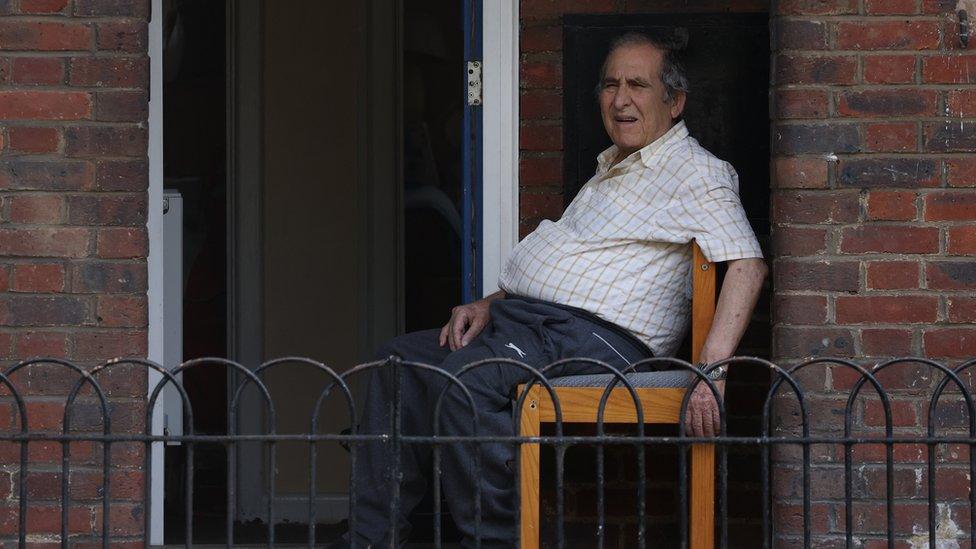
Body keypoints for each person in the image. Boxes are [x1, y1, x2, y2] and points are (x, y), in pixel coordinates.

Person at [330, 31, 767, 548]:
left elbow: (747, 262)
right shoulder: (613, 169)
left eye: (637, 85)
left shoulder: (697, 171)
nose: (620, 99)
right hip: (530, 323)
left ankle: (498, 540)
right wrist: (487, 304)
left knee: (467, 380)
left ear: (675, 102)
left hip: (598, 340)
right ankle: (370, 540)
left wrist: (710, 369)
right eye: (610, 84)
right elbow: (568, 262)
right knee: (397, 364)